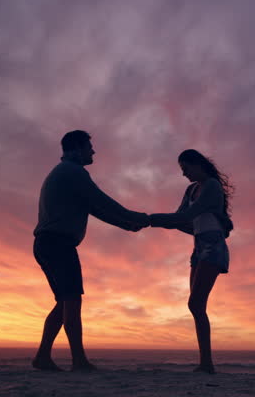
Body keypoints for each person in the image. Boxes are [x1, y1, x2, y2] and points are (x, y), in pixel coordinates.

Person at [31, 130, 150, 372]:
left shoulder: (65, 173)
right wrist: (139, 218)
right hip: (58, 244)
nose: (93, 151)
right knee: (72, 300)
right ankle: (79, 361)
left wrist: (126, 224)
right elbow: (102, 201)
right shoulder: (74, 172)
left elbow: (94, 208)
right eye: (89, 147)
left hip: (47, 243)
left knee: (64, 302)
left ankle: (43, 357)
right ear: (76, 149)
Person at [149, 149, 234, 374]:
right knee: (197, 306)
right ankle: (205, 363)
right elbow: (180, 221)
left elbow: (187, 216)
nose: (183, 174)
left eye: (185, 168)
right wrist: (150, 221)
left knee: (195, 303)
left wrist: (148, 219)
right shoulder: (190, 190)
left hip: (213, 247)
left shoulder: (212, 186)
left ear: (197, 164)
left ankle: (207, 364)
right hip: (198, 248)